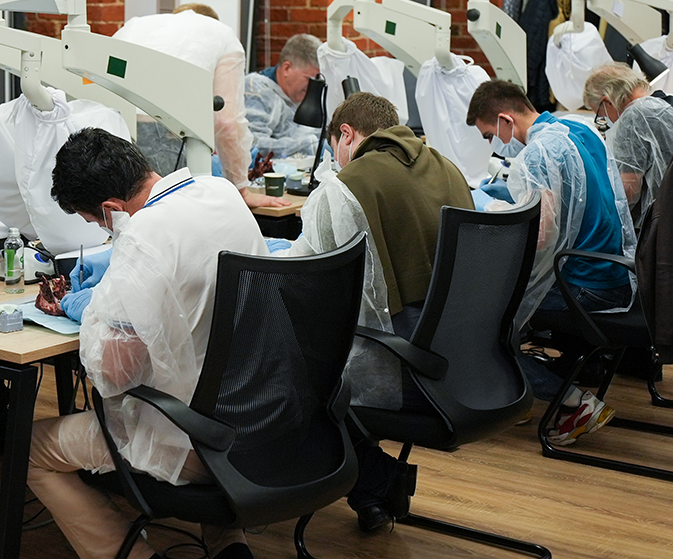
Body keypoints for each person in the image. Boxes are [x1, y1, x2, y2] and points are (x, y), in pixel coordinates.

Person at [29, 127, 268, 559]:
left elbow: (116, 372)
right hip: (265, 420)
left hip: (197, 443)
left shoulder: (142, 238)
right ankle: (229, 547)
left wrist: (93, 310)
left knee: (30, 448)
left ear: (111, 209)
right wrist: (117, 277)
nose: (103, 232)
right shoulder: (220, 191)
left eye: (95, 223)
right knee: (207, 376)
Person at [277, 93, 474, 532]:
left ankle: (375, 479)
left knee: (293, 376)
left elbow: (303, 282)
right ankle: (372, 491)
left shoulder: (348, 186)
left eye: (334, 148)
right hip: (467, 363)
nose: (336, 160)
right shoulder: (447, 167)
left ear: (346, 134)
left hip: (409, 370)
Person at [466, 79, 635, 446]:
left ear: (505, 120)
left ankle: (571, 402)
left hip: (587, 284)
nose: (494, 144)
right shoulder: (578, 127)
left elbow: (540, 235)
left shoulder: (539, 153)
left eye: (489, 135)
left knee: (481, 325)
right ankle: (518, 393)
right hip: (617, 272)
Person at [113, 3, 289, 210]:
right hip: (168, 139)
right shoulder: (223, 35)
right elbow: (227, 122)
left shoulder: (135, 26)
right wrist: (241, 191)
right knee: (170, 213)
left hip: (113, 131)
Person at [583, 62, 673, 229]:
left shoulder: (633, 117)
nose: (606, 121)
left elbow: (627, 192)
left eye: (601, 115)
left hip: (659, 226)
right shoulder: (665, 104)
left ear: (607, 102)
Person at [246, 33, 322, 158]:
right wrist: (307, 146)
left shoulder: (299, 94)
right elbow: (252, 145)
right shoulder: (256, 91)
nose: (312, 86)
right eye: (309, 79)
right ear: (287, 68)